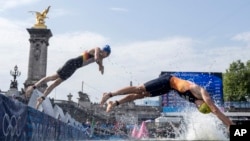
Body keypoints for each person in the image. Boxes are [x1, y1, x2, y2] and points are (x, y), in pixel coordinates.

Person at [100, 73, 234, 129]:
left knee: (140, 96)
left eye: (199, 109)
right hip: (167, 80)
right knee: (139, 89)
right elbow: (216, 111)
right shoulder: (201, 92)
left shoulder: (196, 102)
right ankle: (110, 94)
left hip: (168, 89)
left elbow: (216, 113)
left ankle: (115, 103)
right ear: (204, 102)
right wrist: (233, 127)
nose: (198, 107)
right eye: (201, 107)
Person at [26, 45, 111, 109]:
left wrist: (101, 67)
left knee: (56, 83)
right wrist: (99, 63)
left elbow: (100, 62)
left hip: (74, 68)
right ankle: (32, 87)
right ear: (104, 51)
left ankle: (41, 99)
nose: (105, 56)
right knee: (53, 77)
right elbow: (96, 56)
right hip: (71, 63)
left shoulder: (101, 59)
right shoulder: (97, 49)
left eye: (107, 56)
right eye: (106, 54)